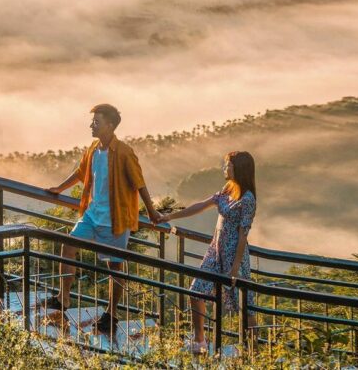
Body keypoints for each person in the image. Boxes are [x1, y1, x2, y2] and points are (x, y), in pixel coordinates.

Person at [44, 103, 161, 336]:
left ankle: (111, 314)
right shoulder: (93, 149)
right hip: (91, 214)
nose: (91, 126)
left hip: (116, 219)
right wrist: (59, 188)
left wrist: (152, 212)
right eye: (92, 122)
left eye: (96, 122)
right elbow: (80, 173)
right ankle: (63, 298)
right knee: (69, 245)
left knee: (115, 267)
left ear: (110, 125)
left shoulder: (125, 152)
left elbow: (139, 183)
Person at [158, 151, 257, 354]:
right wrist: (169, 216)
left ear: (238, 168)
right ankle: (200, 340)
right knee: (196, 291)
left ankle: (254, 352)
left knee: (245, 306)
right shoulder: (228, 189)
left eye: (228, 165)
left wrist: (235, 269)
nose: (224, 167)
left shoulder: (247, 199)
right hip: (216, 251)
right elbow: (201, 205)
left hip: (233, 257)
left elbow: (243, 235)